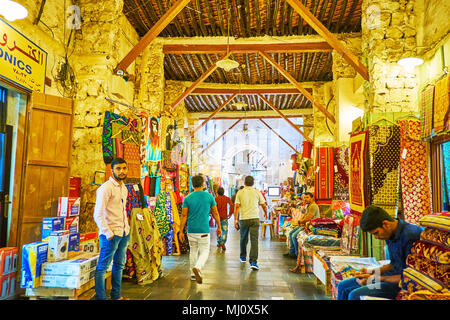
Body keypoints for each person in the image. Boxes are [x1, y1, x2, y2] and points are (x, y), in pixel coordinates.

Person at [337, 205, 423, 300]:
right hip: (391, 277)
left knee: (355, 295)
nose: (376, 237)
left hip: (401, 285)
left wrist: (377, 278)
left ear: (385, 224)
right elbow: (394, 264)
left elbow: (411, 278)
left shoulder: (410, 236)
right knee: (343, 285)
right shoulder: (390, 233)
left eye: (376, 233)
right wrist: (372, 271)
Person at [93, 157, 130, 300]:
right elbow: (98, 214)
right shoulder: (105, 188)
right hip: (111, 234)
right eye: (118, 169)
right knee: (102, 267)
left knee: (119, 265)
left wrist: (126, 228)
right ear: (112, 170)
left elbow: (122, 210)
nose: (121, 171)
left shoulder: (124, 188)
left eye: (124, 168)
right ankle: (101, 297)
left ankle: (116, 296)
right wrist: (108, 232)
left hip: (123, 232)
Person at [179, 175, 222, 284]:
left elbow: (184, 215)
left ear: (192, 185)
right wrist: (219, 226)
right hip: (203, 230)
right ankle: (198, 267)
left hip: (191, 230)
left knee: (193, 250)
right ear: (203, 184)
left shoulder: (188, 198)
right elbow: (215, 212)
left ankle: (193, 275)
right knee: (205, 251)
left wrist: (180, 231)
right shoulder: (209, 197)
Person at [234, 176, 267, 270]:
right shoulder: (257, 192)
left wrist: (235, 220)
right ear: (253, 183)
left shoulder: (240, 192)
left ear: (244, 183)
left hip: (243, 218)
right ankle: (253, 262)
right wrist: (265, 213)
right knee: (254, 240)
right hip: (255, 218)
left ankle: (243, 257)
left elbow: (236, 206)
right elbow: (263, 204)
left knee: (243, 238)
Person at [284, 192, 319, 259]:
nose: (305, 199)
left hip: (310, 226)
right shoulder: (309, 205)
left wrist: (300, 221)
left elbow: (309, 217)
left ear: (312, 198)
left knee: (294, 235)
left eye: (307, 197)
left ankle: (297, 255)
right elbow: (306, 216)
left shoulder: (313, 206)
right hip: (305, 224)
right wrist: (301, 221)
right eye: (305, 197)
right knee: (291, 233)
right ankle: (292, 252)